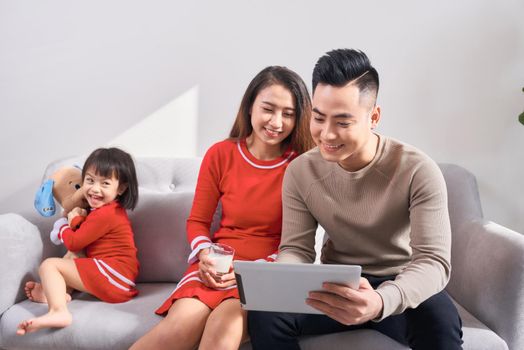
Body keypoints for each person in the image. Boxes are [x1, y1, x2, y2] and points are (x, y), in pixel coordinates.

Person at [248, 49, 463, 350]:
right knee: (264, 315)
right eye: (319, 118)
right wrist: (281, 279)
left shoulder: (417, 170)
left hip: (399, 282)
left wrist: (380, 300)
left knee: (440, 321)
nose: (326, 134)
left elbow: (433, 262)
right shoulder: (301, 171)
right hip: (335, 286)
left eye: (343, 122)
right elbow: (296, 248)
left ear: (373, 117)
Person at [130, 66, 314, 350]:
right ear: (250, 106)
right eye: (268, 109)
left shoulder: (301, 166)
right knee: (178, 328)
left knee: (221, 331)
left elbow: (298, 245)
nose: (277, 122)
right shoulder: (221, 154)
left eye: (288, 114)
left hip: (263, 275)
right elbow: (198, 221)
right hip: (213, 269)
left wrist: (248, 271)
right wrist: (204, 254)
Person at [17, 147, 140, 335]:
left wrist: (65, 225)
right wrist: (75, 219)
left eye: (105, 183)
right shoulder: (104, 211)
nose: (94, 189)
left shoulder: (107, 214)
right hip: (116, 277)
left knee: (49, 265)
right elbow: (84, 236)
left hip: (114, 275)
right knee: (74, 258)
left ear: (121, 188)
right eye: (89, 180)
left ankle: (58, 312)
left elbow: (75, 242)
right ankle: (57, 293)